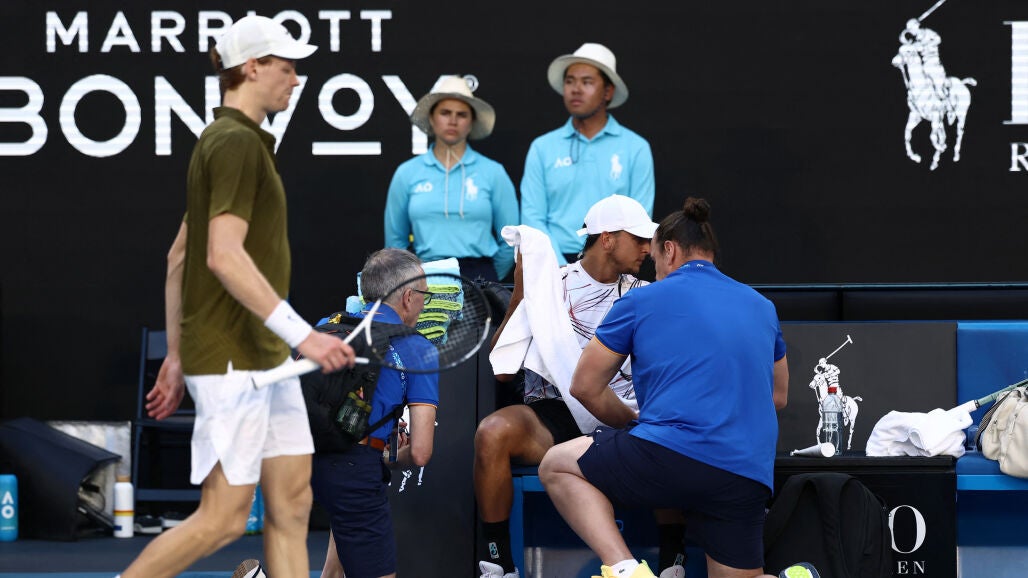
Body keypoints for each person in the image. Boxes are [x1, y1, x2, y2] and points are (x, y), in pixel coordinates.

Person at [119, 15, 358, 578]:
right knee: (223, 519)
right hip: (235, 362)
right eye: (286, 67)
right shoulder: (234, 143)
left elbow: (179, 254)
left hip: (262, 360)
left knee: (292, 504)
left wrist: (177, 355)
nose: (295, 79)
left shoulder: (231, 140)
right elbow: (221, 256)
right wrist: (305, 337)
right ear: (252, 67)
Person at [537, 198, 790, 578]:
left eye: (654, 259)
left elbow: (585, 386)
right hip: (746, 472)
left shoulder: (641, 299)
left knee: (557, 464)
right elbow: (778, 397)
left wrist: (632, 422)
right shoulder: (762, 306)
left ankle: (626, 570)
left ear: (669, 250)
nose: (654, 270)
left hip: (668, 457)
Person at [476, 195, 657, 578]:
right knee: (492, 433)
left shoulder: (646, 293)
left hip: (625, 415)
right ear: (607, 239)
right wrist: (521, 295)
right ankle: (499, 563)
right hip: (555, 415)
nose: (647, 247)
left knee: (672, 432)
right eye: (638, 238)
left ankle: (674, 560)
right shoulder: (551, 285)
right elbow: (502, 371)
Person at [314, 248, 440, 578]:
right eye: (424, 295)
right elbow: (421, 452)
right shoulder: (419, 349)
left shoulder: (326, 325)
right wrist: (388, 457)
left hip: (299, 461)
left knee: (337, 559)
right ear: (409, 298)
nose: (424, 303)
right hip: (354, 471)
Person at [521, 43, 655, 266]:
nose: (576, 89)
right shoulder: (542, 147)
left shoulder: (636, 148)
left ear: (608, 91)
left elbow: (638, 220)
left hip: (612, 264)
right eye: (570, 81)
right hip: (552, 263)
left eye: (587, 82)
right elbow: (532, 217)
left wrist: (598, 265)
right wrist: (561, 268)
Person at [384, 75, 519, 281]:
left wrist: (487, 281)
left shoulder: (493, 172)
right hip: (426, 275)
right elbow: (395, 243)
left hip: (479, 275)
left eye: (461, 114)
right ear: (431, 118)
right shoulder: (407, 173)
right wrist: (416, 281)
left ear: (471, 122)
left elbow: (511, 240)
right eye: (445, 113)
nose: (453, 120)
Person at [900, 18, 949, 103]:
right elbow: (905, 43)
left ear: (916, 26)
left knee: (929, 70)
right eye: (909, 30)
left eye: (911, 29)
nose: (911, 31)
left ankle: (942, 93)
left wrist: (926, 46)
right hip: (922, 62)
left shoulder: (927, 32)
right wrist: (903, 35)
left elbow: (938, 39)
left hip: (932, 58)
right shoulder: (914, 40)